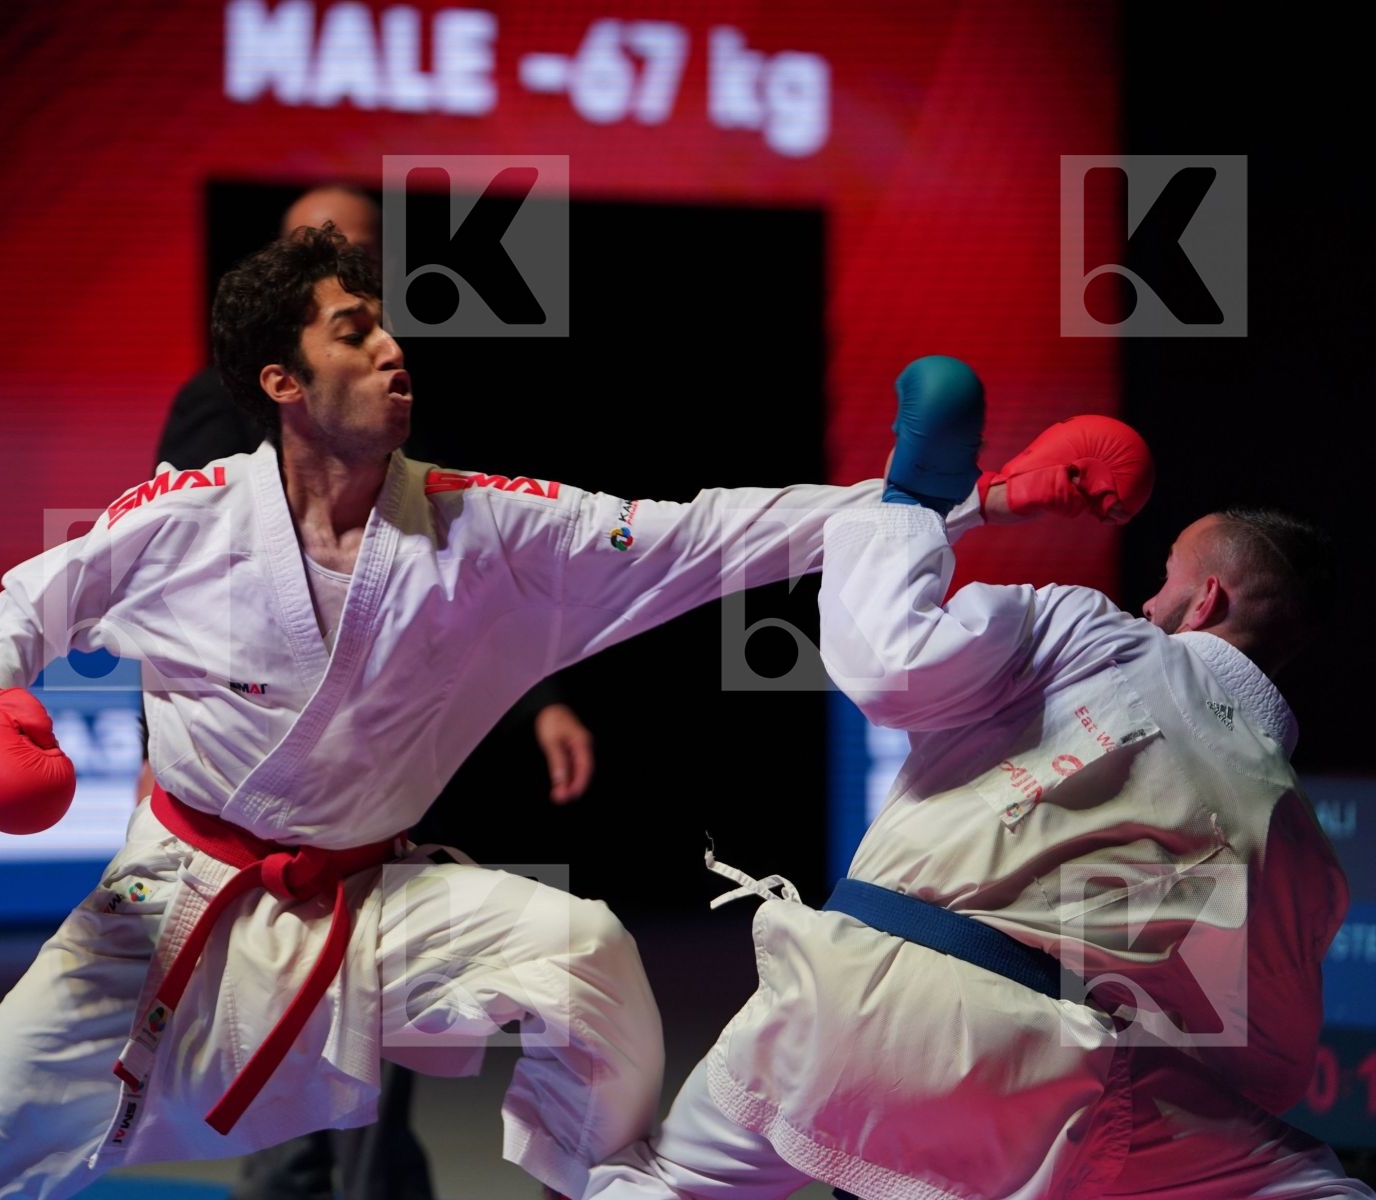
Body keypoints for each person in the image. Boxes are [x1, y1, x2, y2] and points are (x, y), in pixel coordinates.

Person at [0, 233, 1082, 1200]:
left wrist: (942, 505)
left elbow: (703, 534)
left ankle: (604, 1189)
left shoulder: (486, 526)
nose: (391, 352)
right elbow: (24, 606)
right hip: (163, 910)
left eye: (387, 329)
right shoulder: (186, 519)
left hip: (370, 905)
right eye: (353, 332)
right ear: (281, 381)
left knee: (581, 954)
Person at [583, 376, 1370, 1198]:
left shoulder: (1090, 630)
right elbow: (1265, 1068)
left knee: (664, 1183)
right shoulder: (1296, 839)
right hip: (1041, 1083)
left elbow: (890, 665)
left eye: (1166, 577)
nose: (1147, 597)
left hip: (837, 1001)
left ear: (1206, 600)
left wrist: (913, 508)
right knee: (1312, 1185)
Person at [145, 183, 592, 1200]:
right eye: (324, 245)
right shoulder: (220, 409)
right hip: (255, 789)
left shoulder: (393, 401)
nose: (353, 266)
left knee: (372, 1053)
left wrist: (539, 698)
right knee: (283, 1057)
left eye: (368, 252)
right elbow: (159, 584)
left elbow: (467, 562)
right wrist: (153, 752)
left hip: (380, 780)